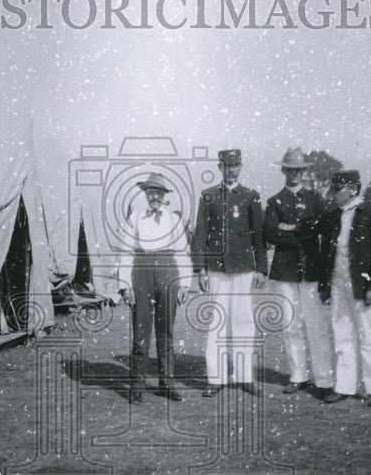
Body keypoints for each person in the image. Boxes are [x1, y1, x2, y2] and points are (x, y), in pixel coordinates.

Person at [190, 149, 268, 397]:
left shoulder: (250, 196)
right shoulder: (209, 196)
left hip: (244, 268)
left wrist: (261, 268)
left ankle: (245, 377)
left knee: (244, 321)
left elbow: (259, 235)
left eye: (235, 165)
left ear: (241, 166)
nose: (231, 170)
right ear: (219, 166)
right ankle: (216, 378)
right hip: (217, 269)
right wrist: (199, 269)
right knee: (217, 322)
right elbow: (200, 233)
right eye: (227, 165)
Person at [311, 169, 371, 406]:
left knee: (369, 336)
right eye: (333, 188)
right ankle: (344, 386)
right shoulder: (332, 216)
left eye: (338, 189)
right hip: (338, 283)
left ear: (353, 190)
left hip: (362, 285)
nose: (333, 193)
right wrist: (324, 287)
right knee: (342, 335)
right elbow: (326, 252)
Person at [262, 147, 333, 397]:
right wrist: (302, 231)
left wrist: (289, 228)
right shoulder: (274, 201)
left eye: (298, 170)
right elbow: (270, 233)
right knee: (289, 325)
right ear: (283, 170)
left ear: (304, 172)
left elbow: (323, 229)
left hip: (311, 269)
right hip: (285, 271)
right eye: (290, 169)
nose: (294, 174)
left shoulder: (315, 199)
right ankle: (298, 376)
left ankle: (324, 380)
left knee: (316, 326)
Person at [118, 172, 192, 404]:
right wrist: (124, 283)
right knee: (141, 331)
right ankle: (137, 386)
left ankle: (166, 384)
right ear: (145, 194)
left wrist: (185, 283)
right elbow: (126, 251)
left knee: (166, 330)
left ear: (164, 195)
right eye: (151, 192)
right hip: (141, 270)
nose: (154, 196)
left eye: (158, 192)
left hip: (168, 271)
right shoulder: (136, 217)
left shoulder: (173, 219)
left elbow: (182, 252)